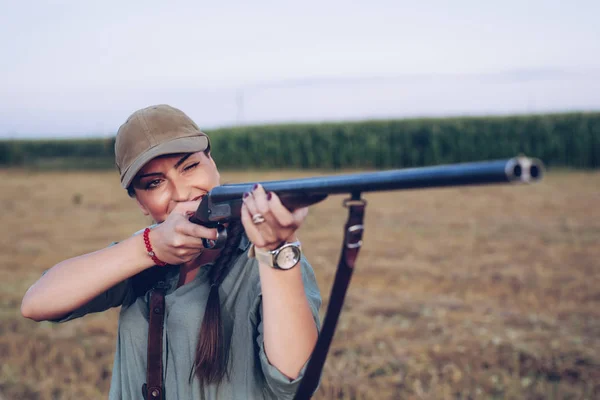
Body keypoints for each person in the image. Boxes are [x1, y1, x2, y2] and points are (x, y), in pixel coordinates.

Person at [20, 104, 322, 399]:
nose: (181, 193)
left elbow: (294, 383)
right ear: (140, 202)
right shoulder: (142, 253)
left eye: (189, 167)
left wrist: (274, 250)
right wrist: (148, 248)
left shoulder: (268, 261)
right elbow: (37, 304)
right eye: (155, 183)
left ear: (212, 163)